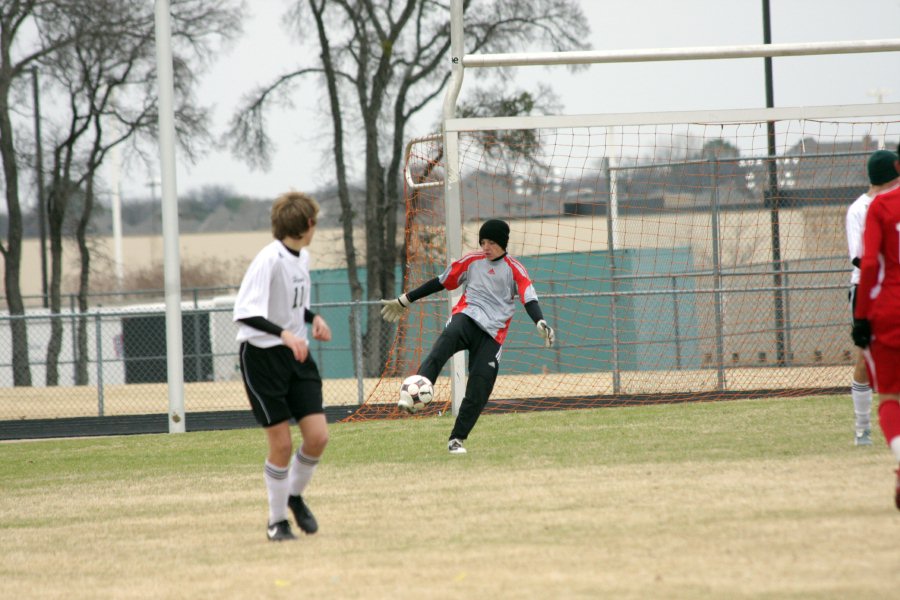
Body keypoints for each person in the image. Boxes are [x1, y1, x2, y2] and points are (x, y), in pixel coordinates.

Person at [380, 218, 555, 455]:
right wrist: (405, 299)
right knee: (441, 348)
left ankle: (456, 439)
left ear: (503, 244)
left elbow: (529, 296)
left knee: (480, 388)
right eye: (483, 241)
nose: (486, 247)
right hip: (466, 318)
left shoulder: (515, 269)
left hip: (492, 335)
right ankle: (414, 394)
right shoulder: (472, 261)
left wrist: (540, 321)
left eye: (491, 242)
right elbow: (441, 282)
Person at [234, 191, 333, 541]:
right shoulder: (269, 259)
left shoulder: (301, 258)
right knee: (281, 445)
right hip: (262, 358)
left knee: (318, 437)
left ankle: (292, 495)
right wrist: (285, 335)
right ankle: (277, 522)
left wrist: (313, 317)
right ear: (308, 224)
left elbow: (292, 306)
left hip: (296, 356)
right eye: (316, 222)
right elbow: (245, 311)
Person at [852, 145, 900, 511]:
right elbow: (861, 258)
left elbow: (869, 262)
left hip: (885, 303)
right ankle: (860, 429)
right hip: (873, 294)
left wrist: (863, 317)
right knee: (861, 368)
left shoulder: (881, 207)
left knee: (891, 395)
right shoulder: (860, 208)